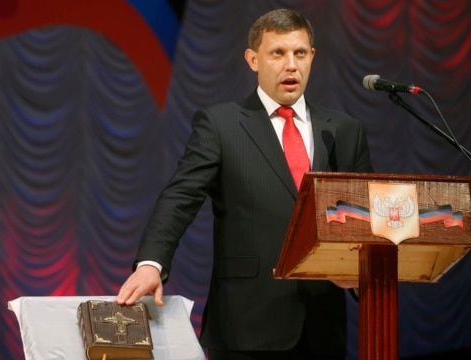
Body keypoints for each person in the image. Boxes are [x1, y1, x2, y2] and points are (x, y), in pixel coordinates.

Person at [116, 8, 373, 360]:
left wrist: (358, 276)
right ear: (253, 59)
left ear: (312, 56)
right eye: (277, 53)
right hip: (246, 327)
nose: (291, 65)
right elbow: (181, 195)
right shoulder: (221, 125)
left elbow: (362, 221)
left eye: (299, 53)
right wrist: (151, 263)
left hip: (322, 328)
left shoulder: (343, 131)